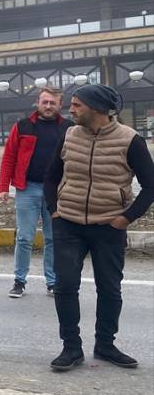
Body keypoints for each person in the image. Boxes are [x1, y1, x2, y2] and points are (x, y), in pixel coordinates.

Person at [44, 84, 154, 371]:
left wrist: (126, 218)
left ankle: (105, 345)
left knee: (110, 289)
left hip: (109, 226)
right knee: (65, 285)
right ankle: (71, 348)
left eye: (77, 105)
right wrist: (54, 211)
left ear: (97, 109)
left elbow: (151, 186)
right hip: (68, 224)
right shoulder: (68, 135)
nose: (71, 109)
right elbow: (51, 178)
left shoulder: (130, 140)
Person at [0, 87, 71, 298]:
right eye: (44, 102)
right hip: (27, 188)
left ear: (59, 105)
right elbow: (9, 156)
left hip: (56, 191)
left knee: (53, 238)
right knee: (24, 237)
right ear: (38, 103)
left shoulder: (69, 128)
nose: (48, 106)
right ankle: (19, 281)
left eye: (52, 103)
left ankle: (53, 282)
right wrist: (3, 187)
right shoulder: (23, 126)